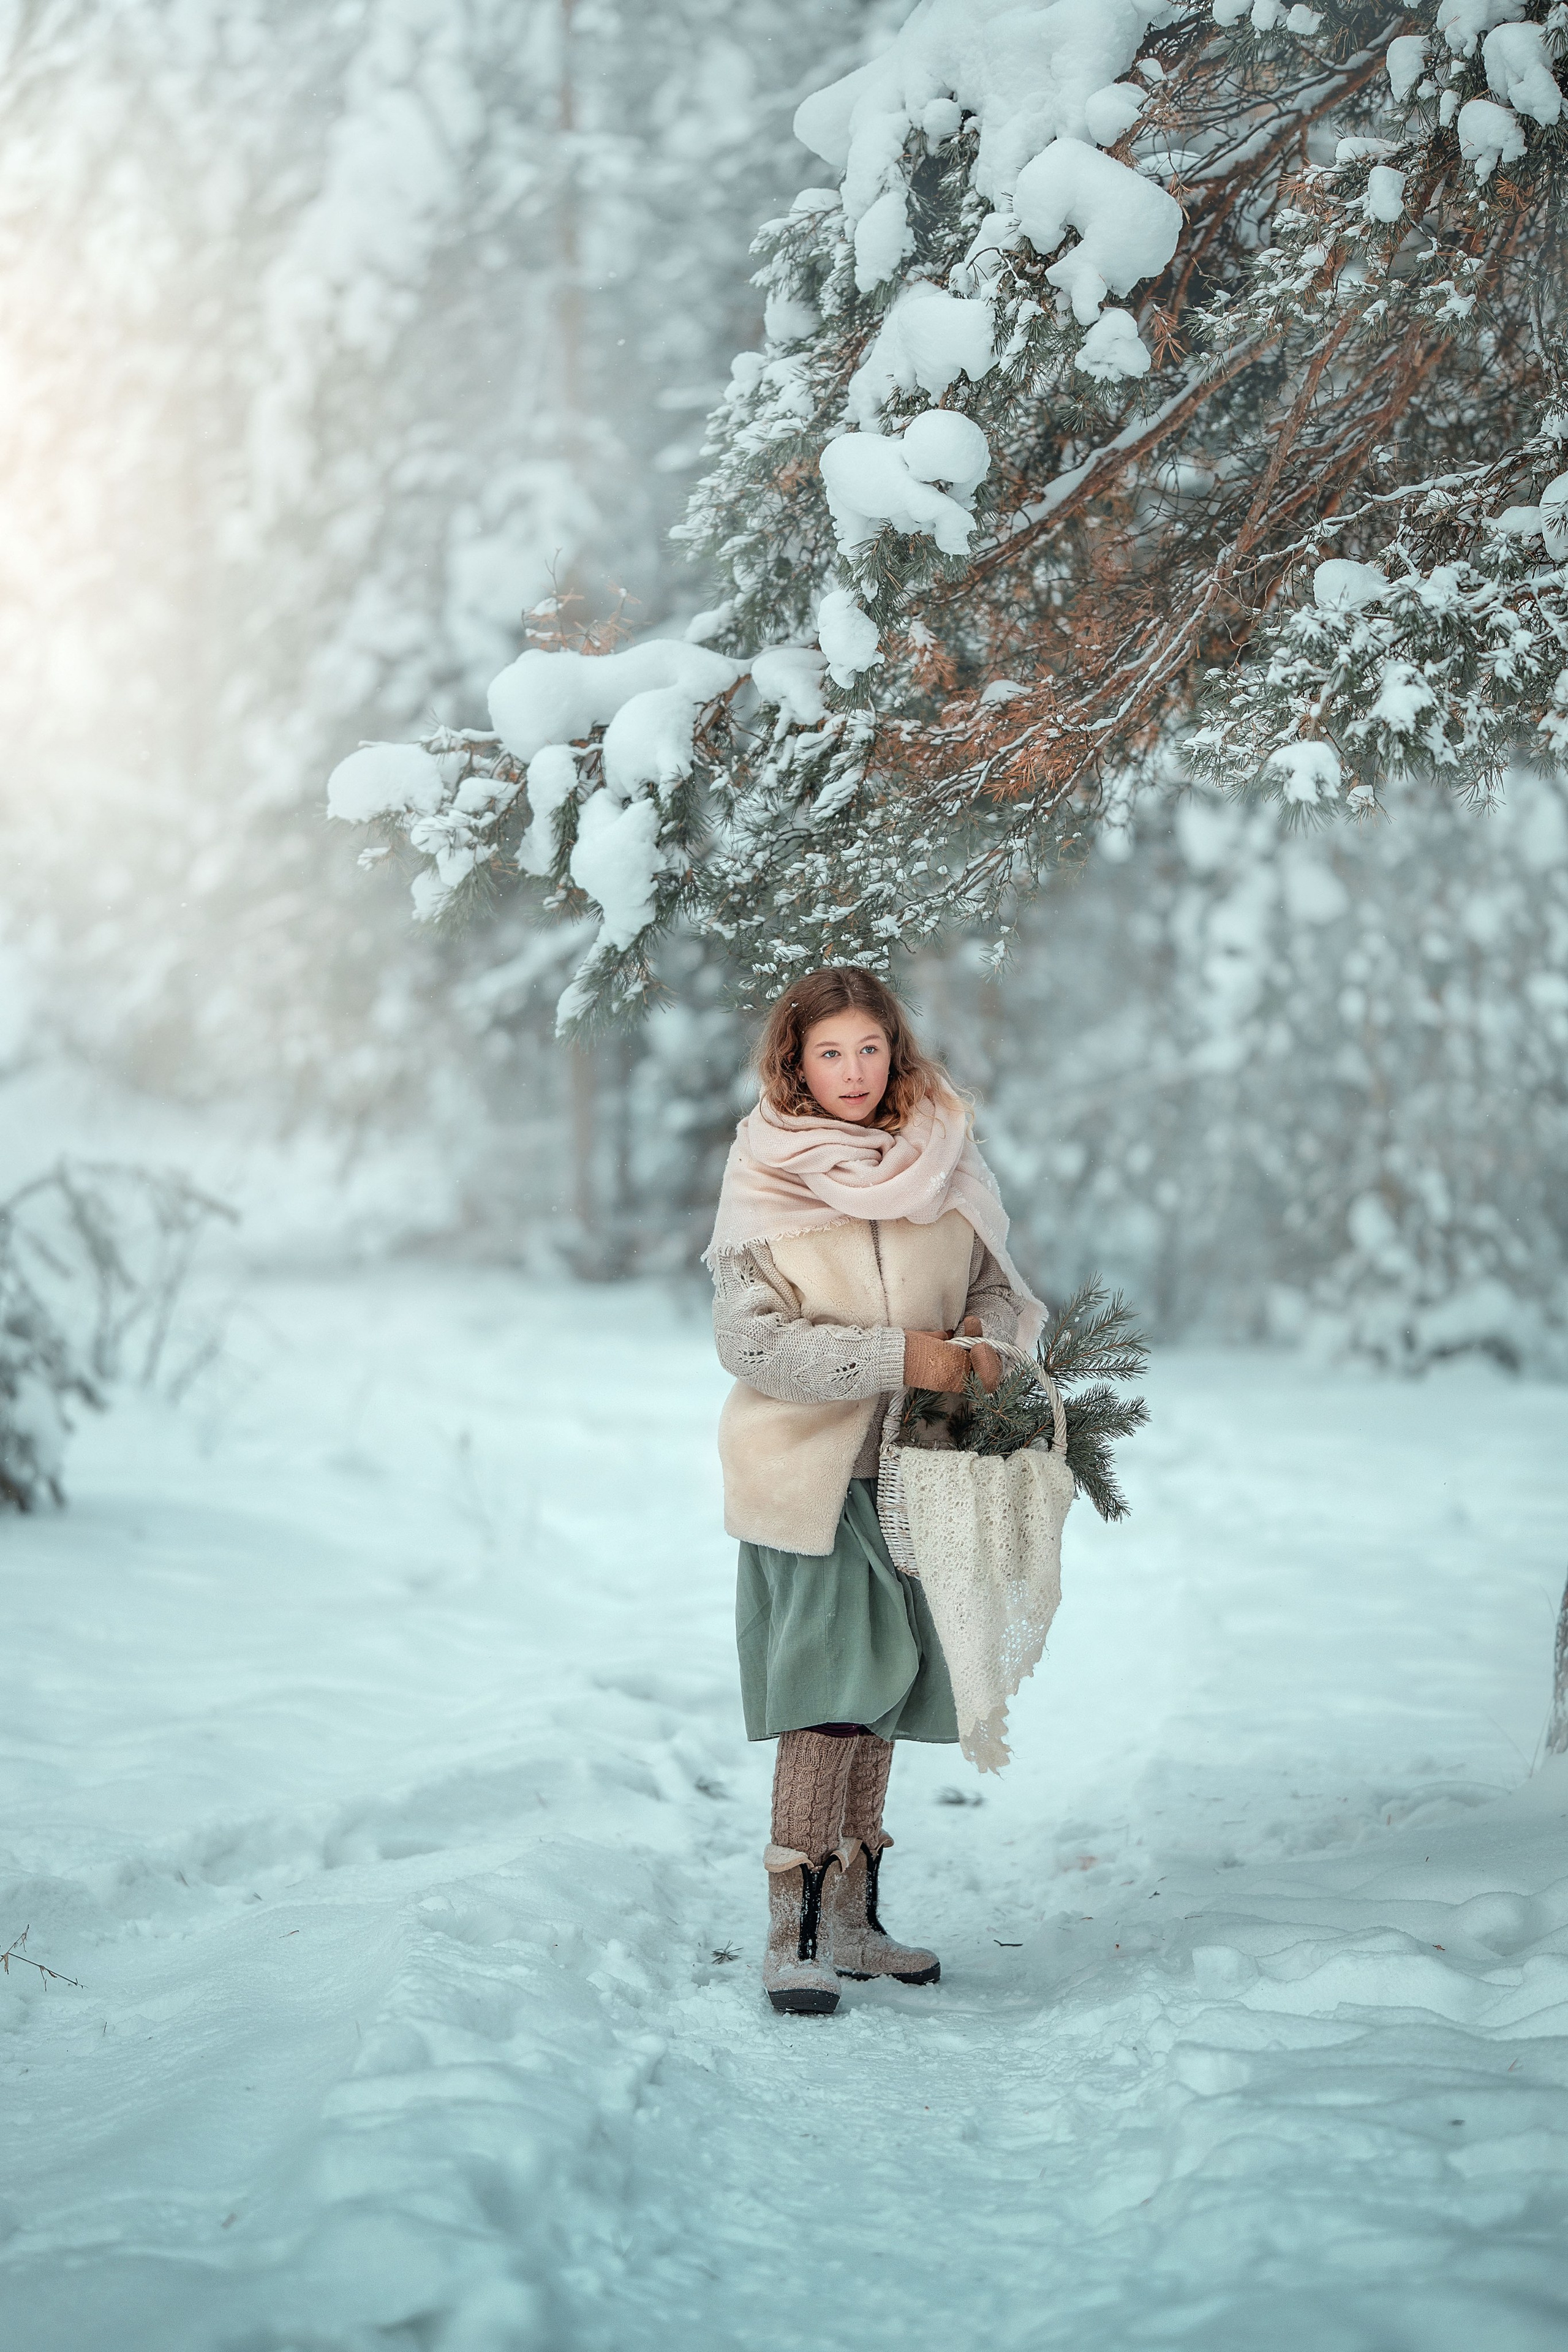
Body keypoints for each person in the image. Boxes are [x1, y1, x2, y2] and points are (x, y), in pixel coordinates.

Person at [704, 965, 1045, 2015]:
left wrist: (982, 1345)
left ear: (895, 1051)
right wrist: (900, 1357)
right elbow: (748, 1339)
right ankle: (792, 1934)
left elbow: (993, 1282)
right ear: (794, 1064)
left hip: (924, 1470)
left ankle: (855, 1922)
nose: (853, 1073)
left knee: (885, 1691)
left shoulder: (944, 1147)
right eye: (829, 1053)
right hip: (809, 1479)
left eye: (869, 1049)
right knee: (827, 1700)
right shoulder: (767, 1169)